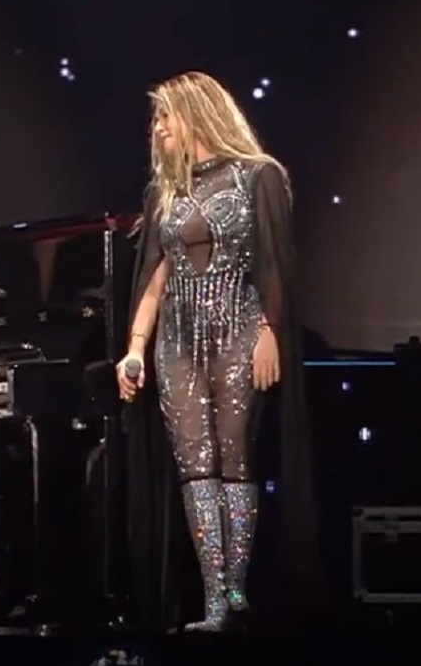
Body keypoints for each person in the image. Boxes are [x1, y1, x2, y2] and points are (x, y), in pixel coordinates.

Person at [116, 71, 322, 632]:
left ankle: (236, 590)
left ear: (197, 113)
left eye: (166, 115)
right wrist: (135, 348)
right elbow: (153, 279)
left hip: (239, 329)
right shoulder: (165, 192)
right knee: (195, 465)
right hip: (177, 341)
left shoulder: (257, 175)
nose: (158, 127)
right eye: (155, 118)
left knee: (235, 457)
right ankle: (214, 602)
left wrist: (271, 331)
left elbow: (274, 262)